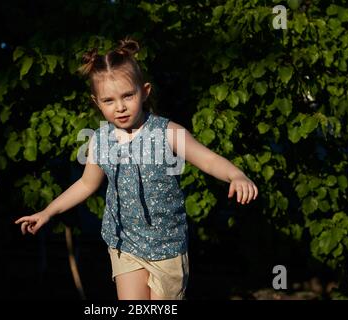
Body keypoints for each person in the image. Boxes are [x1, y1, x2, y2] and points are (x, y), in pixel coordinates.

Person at [15, 37, 258, 300]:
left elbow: (208, 160)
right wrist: (48, 212)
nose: (119, 107)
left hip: (167, 246)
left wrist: (236, 174)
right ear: (97, 103)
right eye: (109, 100)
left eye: (127, 96)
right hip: (124, 243)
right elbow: (86, 184)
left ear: (145, 91)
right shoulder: (100, 140)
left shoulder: (167, 133)